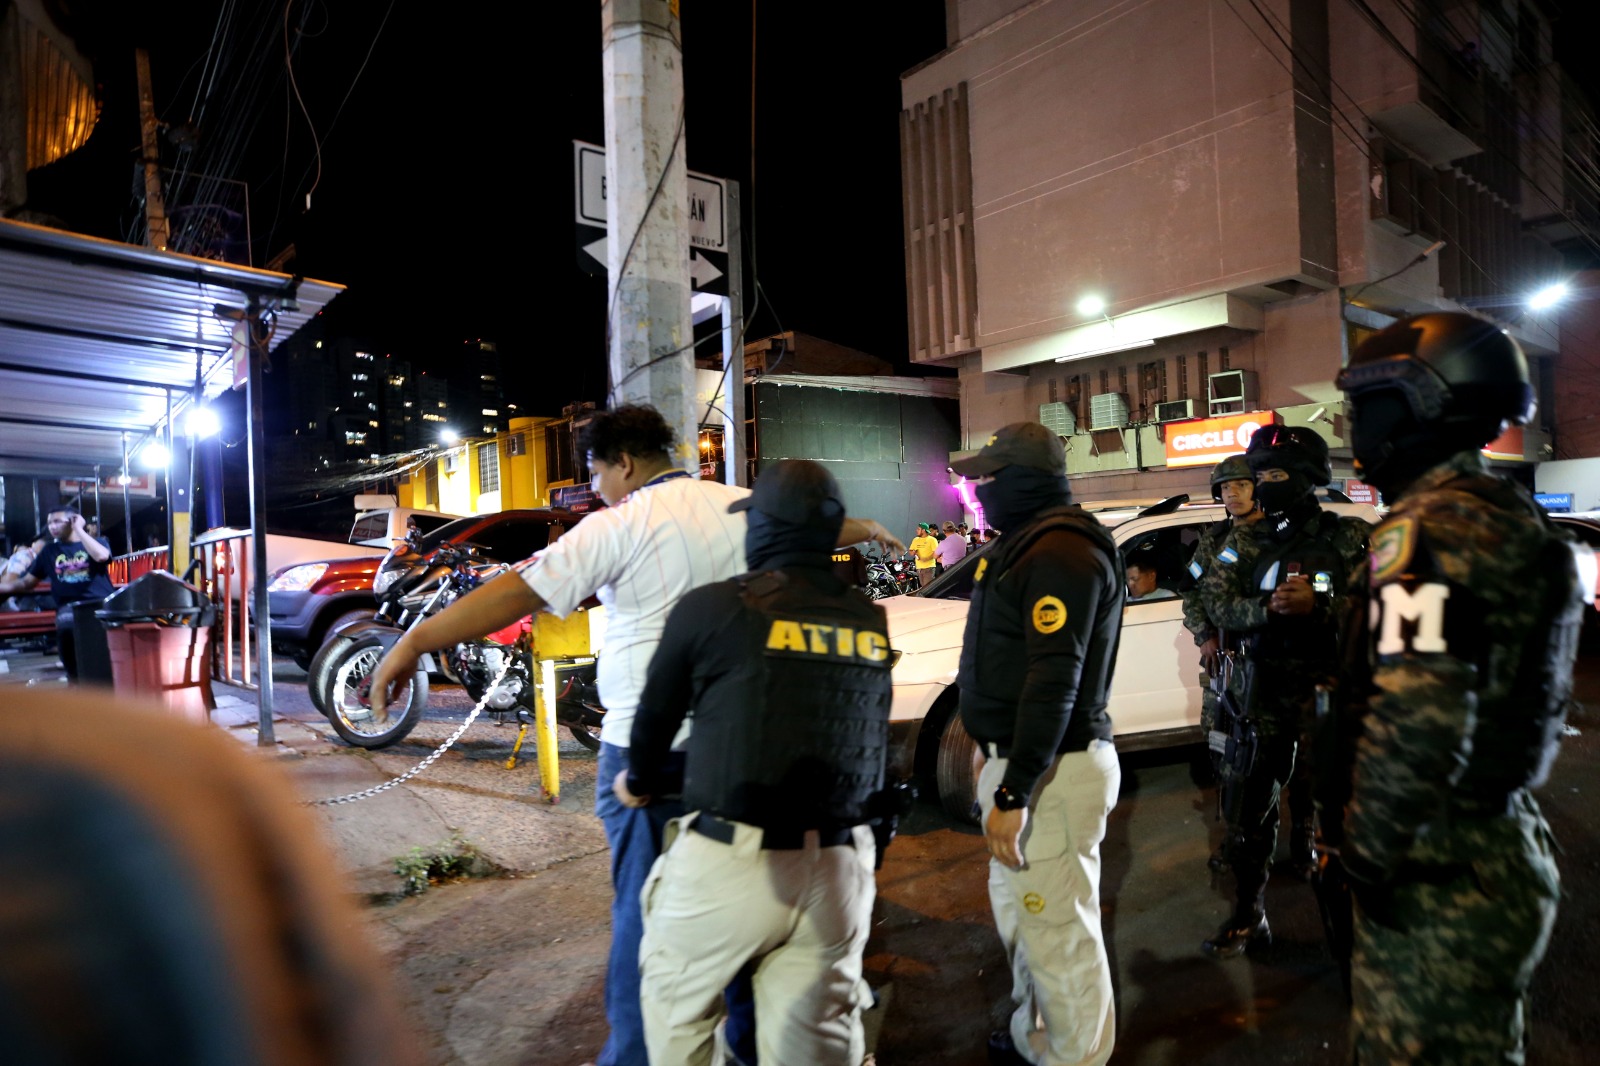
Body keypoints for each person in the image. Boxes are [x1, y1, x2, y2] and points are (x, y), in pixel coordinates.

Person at [365, 404, 901, 1066]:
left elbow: (517, 591)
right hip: (751, 752)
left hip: (647, 755)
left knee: (651, 929)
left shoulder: (619, 524)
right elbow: (815, 526)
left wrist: (415, 640)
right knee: (755, 927)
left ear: (622, 462)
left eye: (597, 474)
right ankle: (749, 1048)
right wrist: (869, 526)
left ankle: (637, 1056)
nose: (597, 489)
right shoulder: (740, 505)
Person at [1333, 313, 1585, 1062]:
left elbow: (1418, 721)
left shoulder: (1427, 532)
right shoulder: (1495, 512)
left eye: (1369, 406)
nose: (1357, 428)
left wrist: (1366, 851)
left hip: (1437, 866)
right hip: (1489, 847)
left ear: (1425, 403)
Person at [616, 460, 894, 1066]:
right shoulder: (867, 617)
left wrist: (640, 780)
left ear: (762, 527)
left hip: (732, 865)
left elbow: (652, 725)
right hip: (837, 872)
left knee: (678, 1021)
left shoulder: (713, 607)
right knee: (812, 1050)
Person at [949, 422, 1123, 1066]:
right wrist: (991, 749)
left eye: (990, 478)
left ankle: (1074, 1057)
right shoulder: (1028, 544)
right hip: (1027, 762)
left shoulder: (1059, 552)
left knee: (1056, 933)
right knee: (1027, 920)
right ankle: (1036, 1038)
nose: (979, 490)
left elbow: (1054, 679)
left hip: (1052, 772)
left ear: (1025, 479)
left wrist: (1015, 788)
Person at [1195, 426, 1368, 958]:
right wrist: (1265, 610)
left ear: (1308, 479)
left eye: (1278, 474)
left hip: (1328, 693)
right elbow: (1215, 602)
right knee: (1249, 811)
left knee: (1338, 813)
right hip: (1262, 692)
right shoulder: (1244, 542)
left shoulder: (1348, 537)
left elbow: (1380, 608)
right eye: (1261, 474)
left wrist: (1325, 606)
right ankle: (1249, 915)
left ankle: (1352, 929)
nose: (1266, 484)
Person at [1180, 454, 1263, 869]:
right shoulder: (1213, 540)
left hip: (1265, 662)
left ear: (1257, 489)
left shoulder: (1274, 534)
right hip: (1224, 664)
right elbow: (1191, 591)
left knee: (1274, 753)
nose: (1233, 494)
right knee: (1222, 746)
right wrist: (1205, 636)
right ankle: (1234, 836)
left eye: (1241, 485)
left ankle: (1302, 831)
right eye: (1226, 488)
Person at [0, 508, 113, 677]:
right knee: (66, 627)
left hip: (99, 603)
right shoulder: (49, 551)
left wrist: (79, 529)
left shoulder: (97, 542)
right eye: (49, 523)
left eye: (57, 521)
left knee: (102, 642)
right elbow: (26, 582)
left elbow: (102, 556)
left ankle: (104, 678)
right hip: (70, 606)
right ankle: (74, 678)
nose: (52, 526)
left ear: (73, 521)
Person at [909, 523, 939, 587]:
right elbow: (910, 551)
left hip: (929, 568)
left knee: (927, 587)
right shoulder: (915, 539)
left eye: (918, 529)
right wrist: (913, 552)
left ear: (923, 530)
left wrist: (927, 558)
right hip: (919, 568)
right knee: (923, 587)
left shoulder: (932, 540)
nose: (916, 530)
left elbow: (936, 552)